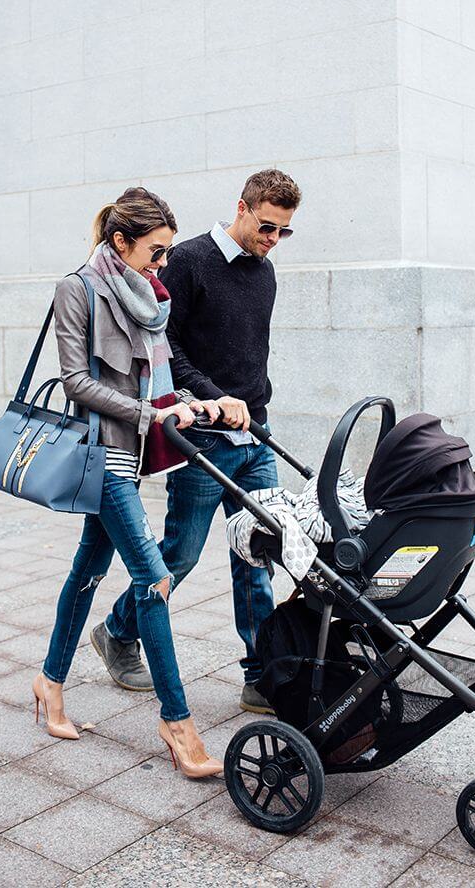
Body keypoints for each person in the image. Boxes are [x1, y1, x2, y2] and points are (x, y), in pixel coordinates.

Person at [91, 169, 301, 713]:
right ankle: (117, 631)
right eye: (266, 226)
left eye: (283, 231)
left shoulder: (266, 273)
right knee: (180, 554)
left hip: (254, 433)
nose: (273, 239)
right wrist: (214, 397)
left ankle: (260, 676)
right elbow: (168, 352)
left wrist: (252, 405)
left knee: (257, 555)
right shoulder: (186, 261)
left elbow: (251, 353)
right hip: (202, 438)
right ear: (242, 207)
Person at [32, 187, 222, 779]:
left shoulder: (148, 295)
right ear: (120, 241)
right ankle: (177, 723)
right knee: (154, 578)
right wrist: (150, 416)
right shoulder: (78, 288)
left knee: (88, 570)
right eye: (155, 251)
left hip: (132, 456)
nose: (163, 263)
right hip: (101, 456)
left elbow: (154, 380)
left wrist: (183, 403)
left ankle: (49, 683)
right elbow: (75, 381)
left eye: (167, 252)